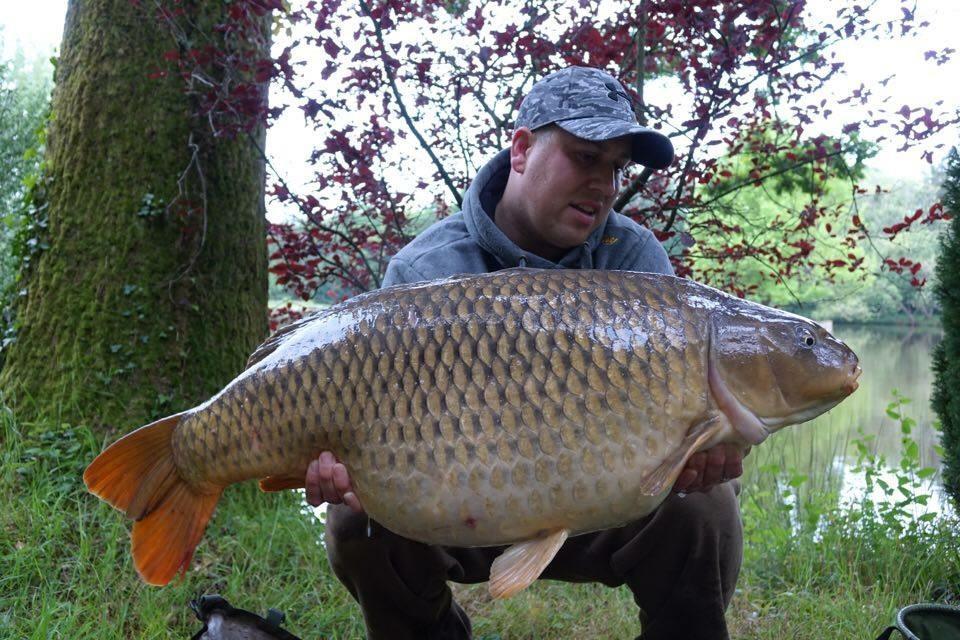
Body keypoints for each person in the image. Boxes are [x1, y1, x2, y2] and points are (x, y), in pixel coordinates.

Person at [304, 66, 745, 640]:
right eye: (586, 157)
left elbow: (693, 412)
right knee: (353, 521)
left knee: (705, 502)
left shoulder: (632, 257)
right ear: (521, 149)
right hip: (456, 507)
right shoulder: (426, 270)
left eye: (615, 168)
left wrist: (713, 446)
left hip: (602, 505)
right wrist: (337, 470)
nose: (604, 185)